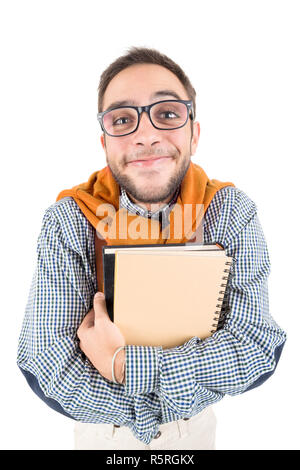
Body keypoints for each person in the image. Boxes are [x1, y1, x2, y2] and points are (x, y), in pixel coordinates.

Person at [17, 47, 287, 450]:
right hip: (103, 437)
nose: (146, 134)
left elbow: (257, 347)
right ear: (105, 143)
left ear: (194, 134)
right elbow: (49, 369)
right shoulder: (69, 220)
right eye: (123, 119)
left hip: (194, 434)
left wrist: (121, 364)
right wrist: (175, 397)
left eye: (167, 113)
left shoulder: (231, 212)